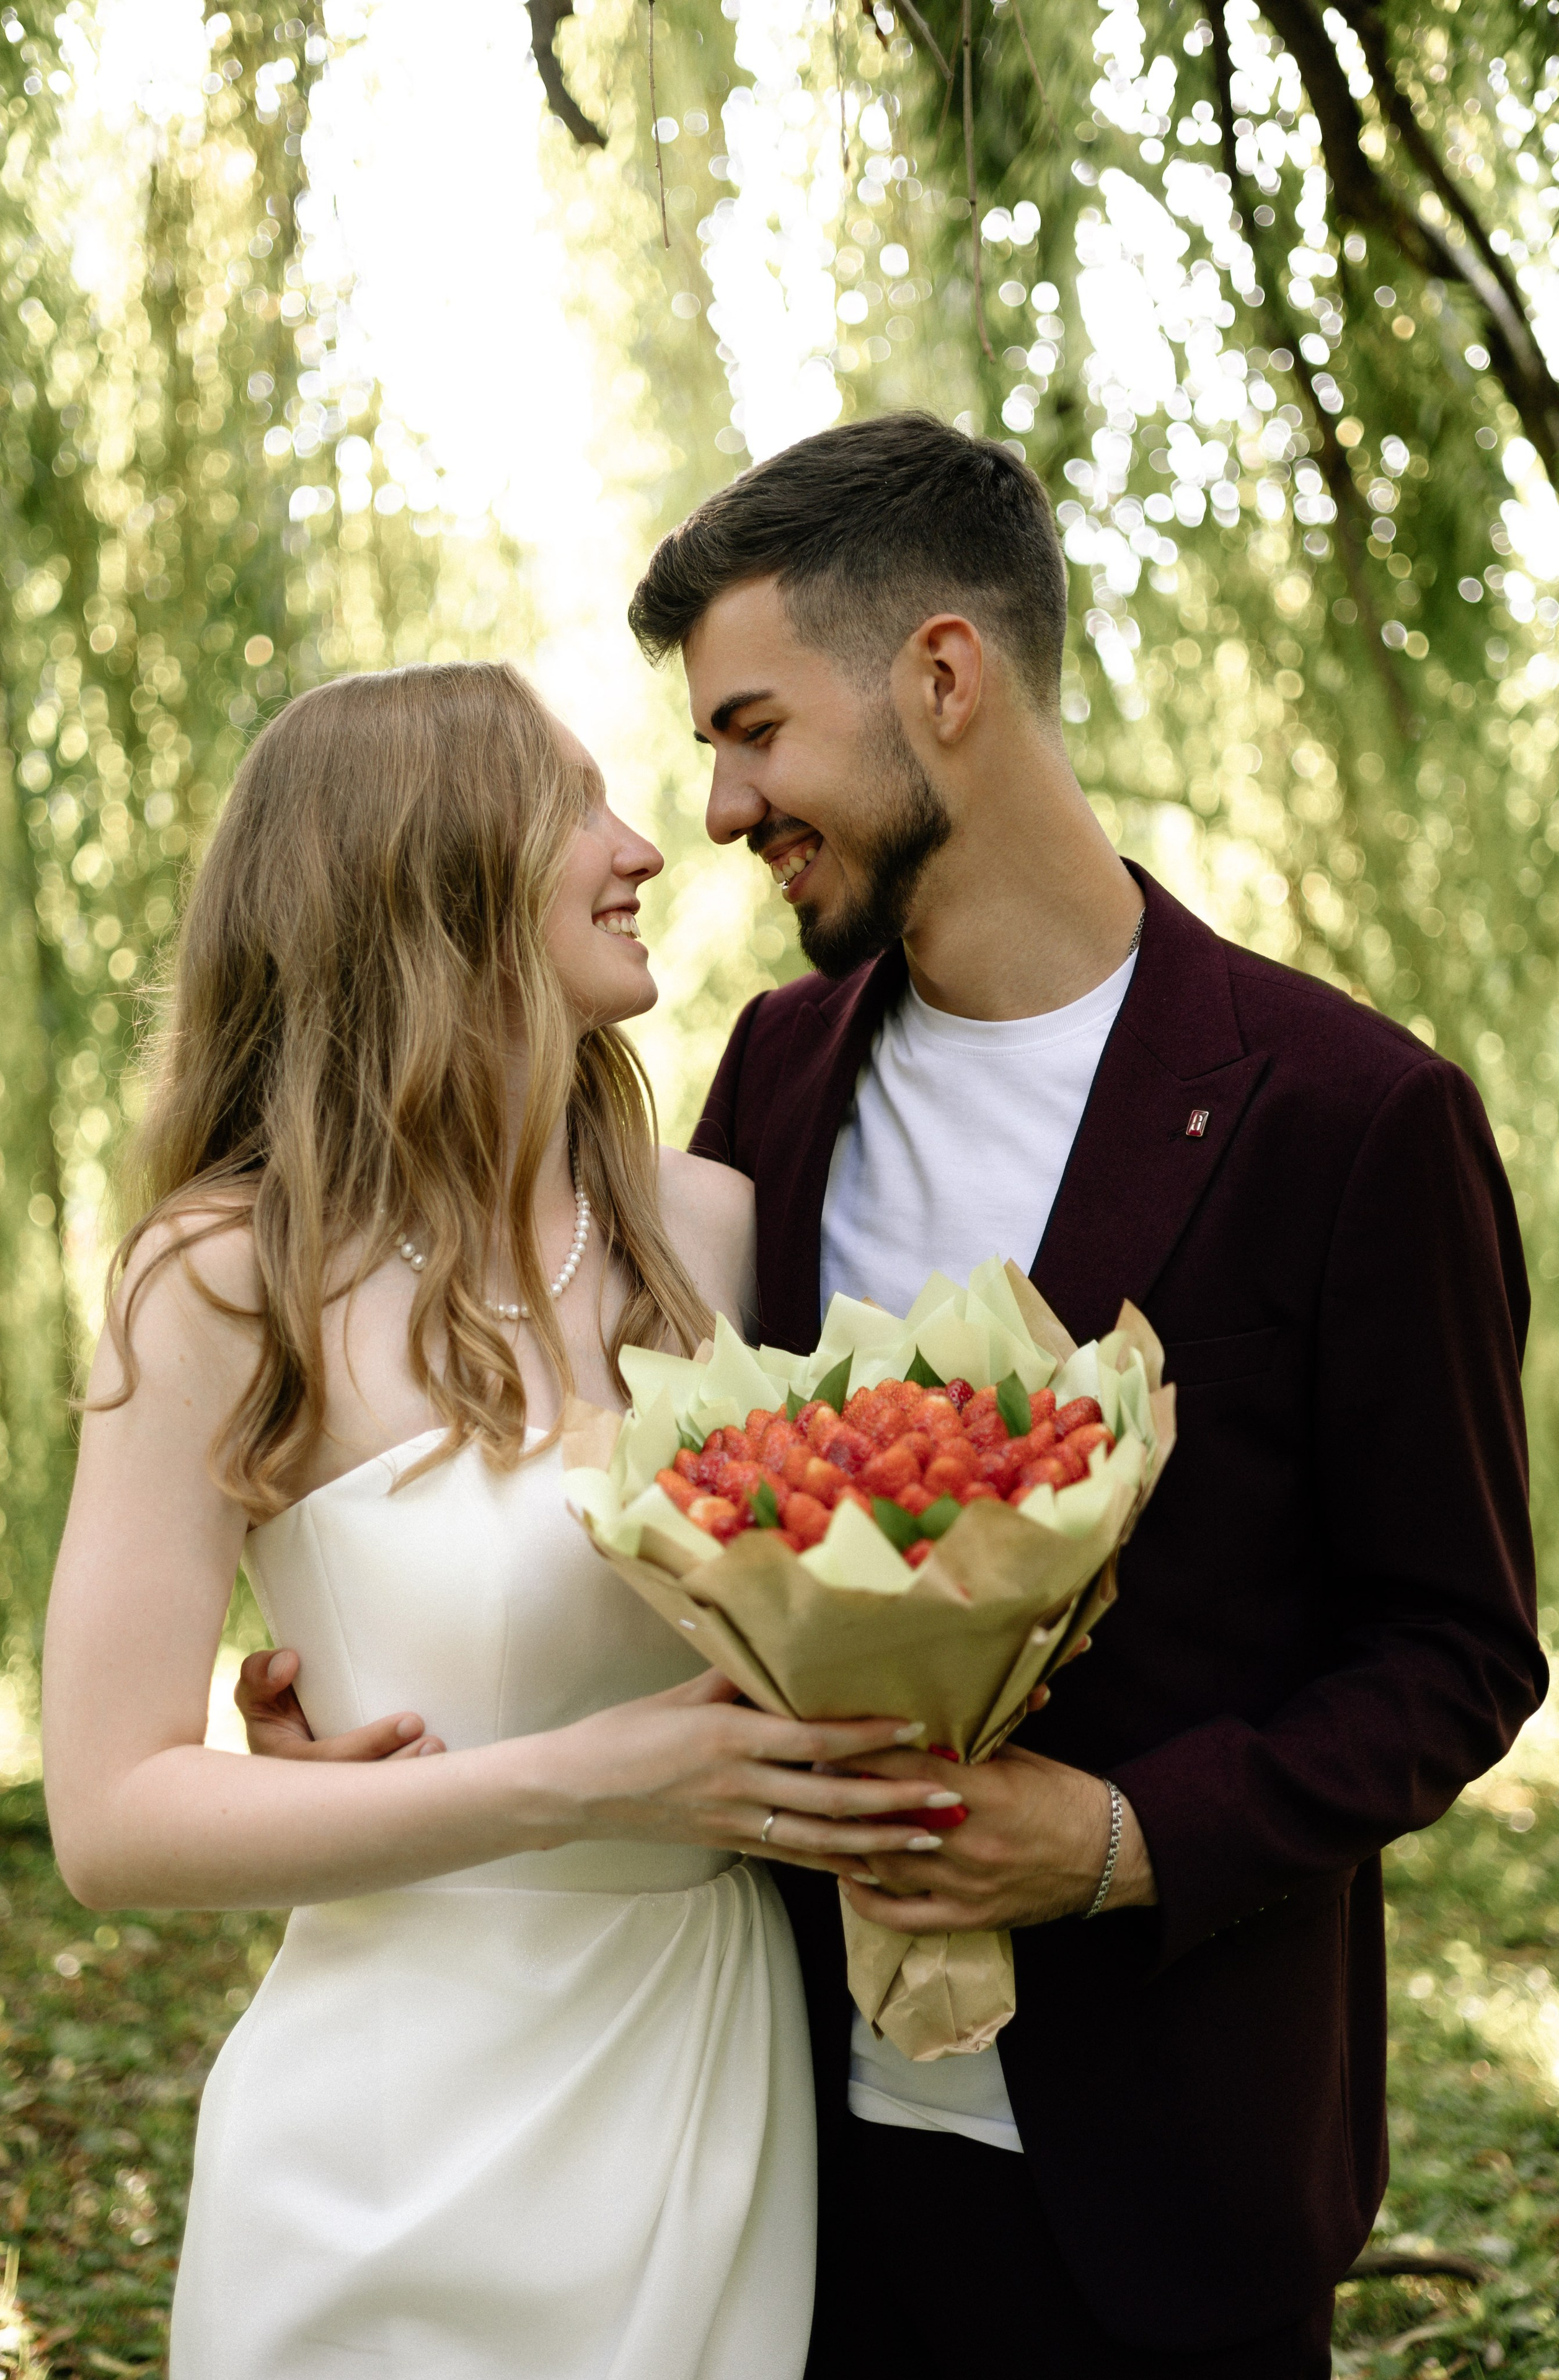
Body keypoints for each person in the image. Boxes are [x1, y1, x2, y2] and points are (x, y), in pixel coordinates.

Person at [240, 419, 1544, 2374]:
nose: (721, 803)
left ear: (943, 678)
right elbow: (683, 1513)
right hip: (776, 2158)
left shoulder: (1350, 1120)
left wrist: (1119, 1837)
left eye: (752, 727)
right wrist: (374, 1694)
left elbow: (1453, 1653)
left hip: (1172, 2184)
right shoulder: (768, 1083)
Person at [39, 660, 947, 2380]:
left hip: (702, 2070)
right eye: (579, 807)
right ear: (428, 870)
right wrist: (574, 1783)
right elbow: (111, 1817)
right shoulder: (224, 1277)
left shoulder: (715, 1231)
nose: (647, 848)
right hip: (395, 2120)